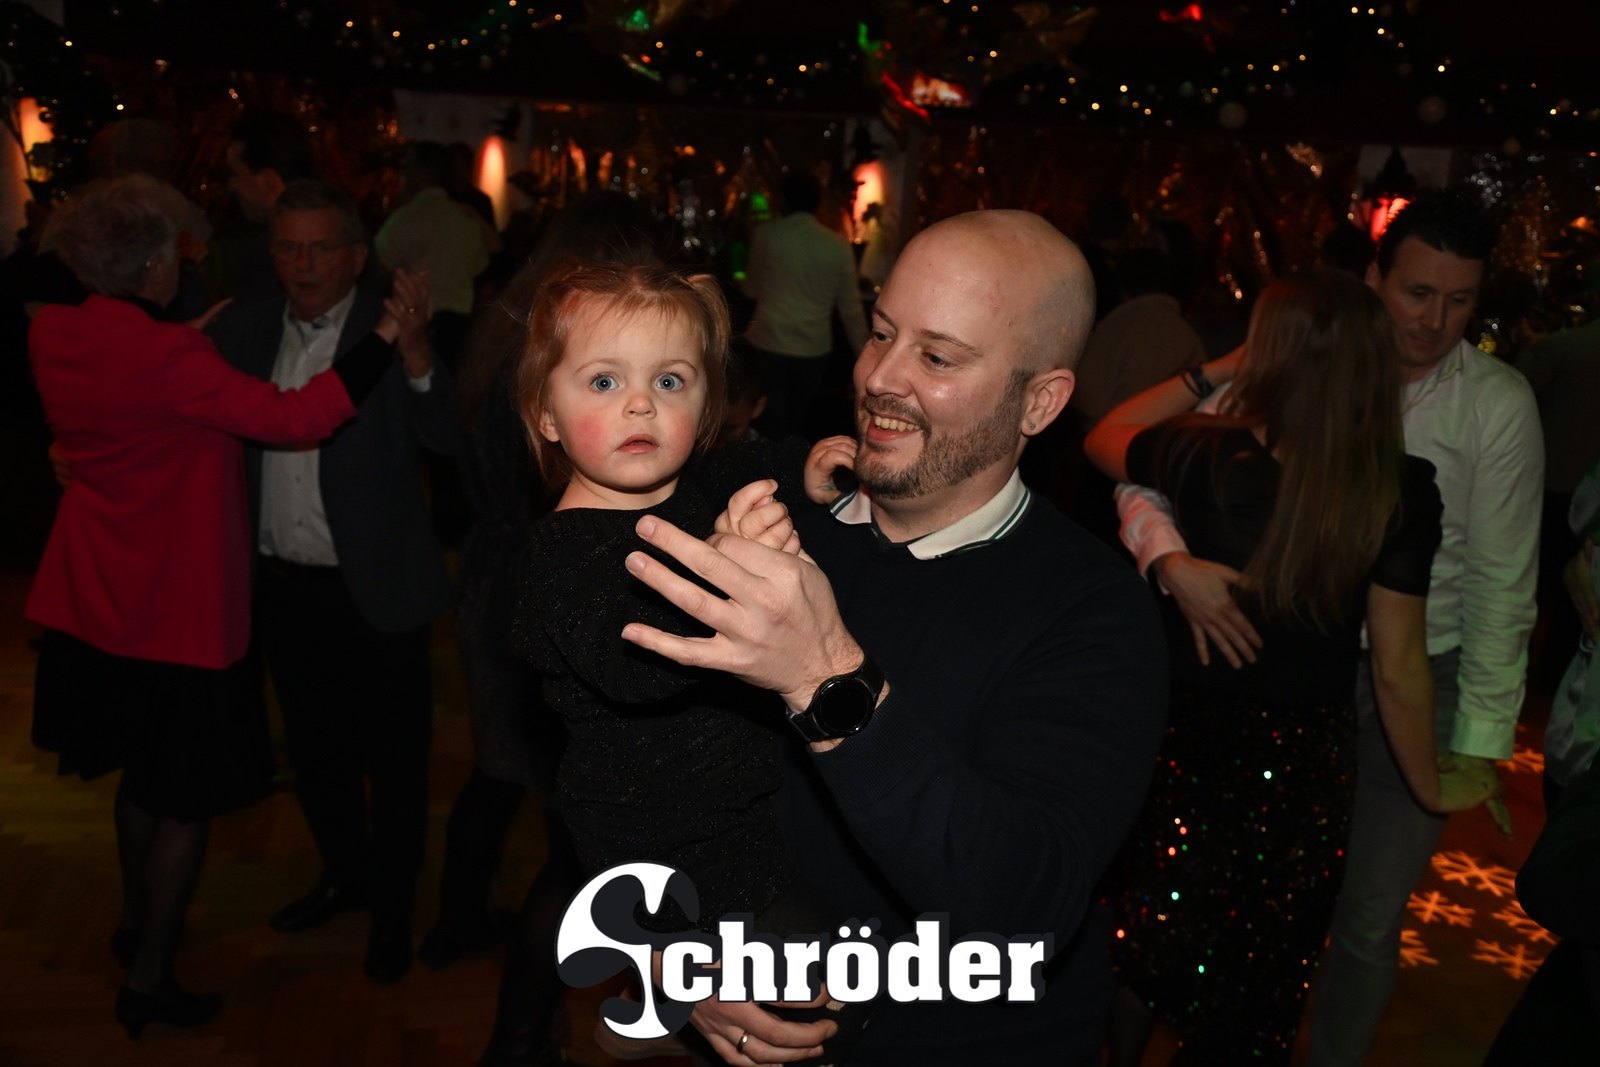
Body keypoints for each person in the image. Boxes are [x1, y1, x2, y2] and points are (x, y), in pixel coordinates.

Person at [618, 209, 1169, 1064]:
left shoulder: (1094, 611)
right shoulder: (771, 522)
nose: (880, 376)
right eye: (881, 332)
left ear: (1040, 401)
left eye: (938, 357)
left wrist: (821, 672)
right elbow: (631, 764)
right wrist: (672, 946)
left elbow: (1025, 904)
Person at [1114, 191, 1541, 1065]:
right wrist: (1168, 557)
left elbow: (1500, 587)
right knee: (1222, 910)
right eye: (1419, 293)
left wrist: (1474, 745)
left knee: (1364, 917)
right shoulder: (1287, 374)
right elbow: (1142, 474)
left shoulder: (1495, 406)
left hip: (1415, 668)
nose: (1436, 321)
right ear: (1374, 279)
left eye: (1460, 301)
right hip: (1284, 679)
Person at [25, 174, 419, 1036]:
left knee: (139, 773)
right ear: (151, 265)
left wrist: (176, 344)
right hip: (176, 606)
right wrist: (387, 336)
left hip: (97, 600)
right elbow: (301, 416)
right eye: (176, 253)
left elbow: (123, 389)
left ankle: (133, 924)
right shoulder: (173, 361)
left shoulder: (54, 331)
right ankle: (151, 979)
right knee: (184, 794)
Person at [513, 261, 861, 1059]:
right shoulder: (560, 555)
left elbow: (747, 465)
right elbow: (636, 659)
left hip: (740, 817)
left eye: (670, 380)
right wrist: (723, 561)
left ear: (704, 407)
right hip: (665, 852)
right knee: (809, 1018)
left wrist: (804, 469)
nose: (641, 403)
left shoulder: (689, 487)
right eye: (604, 381)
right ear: (546, 415)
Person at [207, 178, 459, 986]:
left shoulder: (391, 327)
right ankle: (343, 874)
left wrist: (416, 356)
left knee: (395, 759)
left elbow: (449, 437)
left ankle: (391, 908)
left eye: (321, 247)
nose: (305, 263)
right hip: (284, 586)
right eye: (289, 246)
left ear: (356, 255)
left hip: (377, 586)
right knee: (316, 754)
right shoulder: (244, 327)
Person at [740, 170, 868, 439]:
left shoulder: (767, 235)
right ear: (818, 203)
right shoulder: (836, 245)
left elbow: (751, 288)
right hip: (812, 347)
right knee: (798, 423)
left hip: (769, 340)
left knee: (769, 423)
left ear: (783, 200)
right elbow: (851, 309)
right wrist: (866, 356)